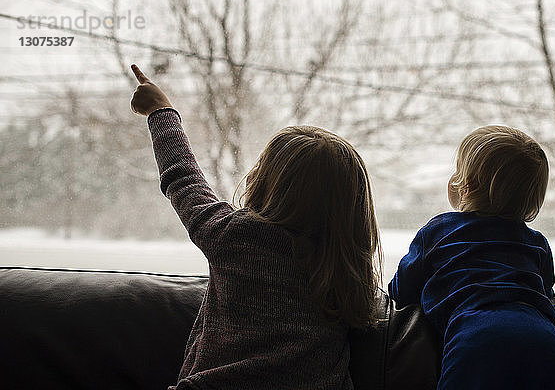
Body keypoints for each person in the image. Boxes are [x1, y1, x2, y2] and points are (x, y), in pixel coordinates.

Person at [129, 64, 382, 389]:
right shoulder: (346, 273)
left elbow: (183, 178)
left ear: (263, 181)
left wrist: (160, 110)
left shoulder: (236, 237)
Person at [388, 125, 555, 390]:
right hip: (547, 340)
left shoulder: (438, 231)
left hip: (476, 337)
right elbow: (545, 293)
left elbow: (401, 291)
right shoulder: (537, 243)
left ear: (464, 186)